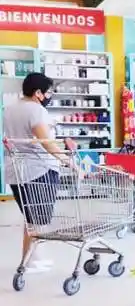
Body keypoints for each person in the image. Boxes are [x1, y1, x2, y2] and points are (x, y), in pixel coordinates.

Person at [4, 72, 73, 270]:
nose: (49, 96)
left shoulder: (10, 109)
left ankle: (29, 259)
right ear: (37, 93)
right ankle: (33, 259)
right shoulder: (36, 110)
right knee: (39, 219)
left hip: (16, 171)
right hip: (38, 170)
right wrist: (70, 162)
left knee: (31, 218)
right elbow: (46, 143)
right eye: (48, 92)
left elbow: (25, 138)